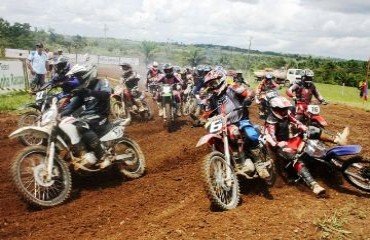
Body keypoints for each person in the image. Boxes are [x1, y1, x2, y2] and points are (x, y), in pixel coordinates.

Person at [264, 96, 349, 195]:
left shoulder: (286, 113)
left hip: (291, 139)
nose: (285, 110)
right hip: (280, 147)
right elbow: (270, 137)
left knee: (311, 129)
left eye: (285, 108)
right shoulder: (271, 121)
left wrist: (302, 127)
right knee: (295, 158)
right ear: (275, 109)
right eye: (283, 109)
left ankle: (338, 140)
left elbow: (295, 121)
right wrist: (278, 143)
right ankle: (314, 185)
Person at [200, 69, 270, 178]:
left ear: (221, 79)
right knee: (219, 139)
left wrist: (248, 98)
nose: (213, 86)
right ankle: (230, 161)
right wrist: (203, 119)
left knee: (250, 134)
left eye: (215, 82)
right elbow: (207, 113)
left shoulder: (232, 88)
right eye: (210, 84)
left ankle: (259, 162)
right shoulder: (212, 99)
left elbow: (249, 92)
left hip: (241, 120)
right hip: (224, 125)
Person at [60, 64, 112, 168]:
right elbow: (70, 108)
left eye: (79, 76)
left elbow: (106, 95)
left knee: (81, 125)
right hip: (87, 117)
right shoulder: (83, 90)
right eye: (77, 77)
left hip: (100, 116)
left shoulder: (102, 82)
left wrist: (89, 92)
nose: (78, 79)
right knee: (67, 125)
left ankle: (103, 156)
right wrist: (57, 114)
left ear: (87, 74)